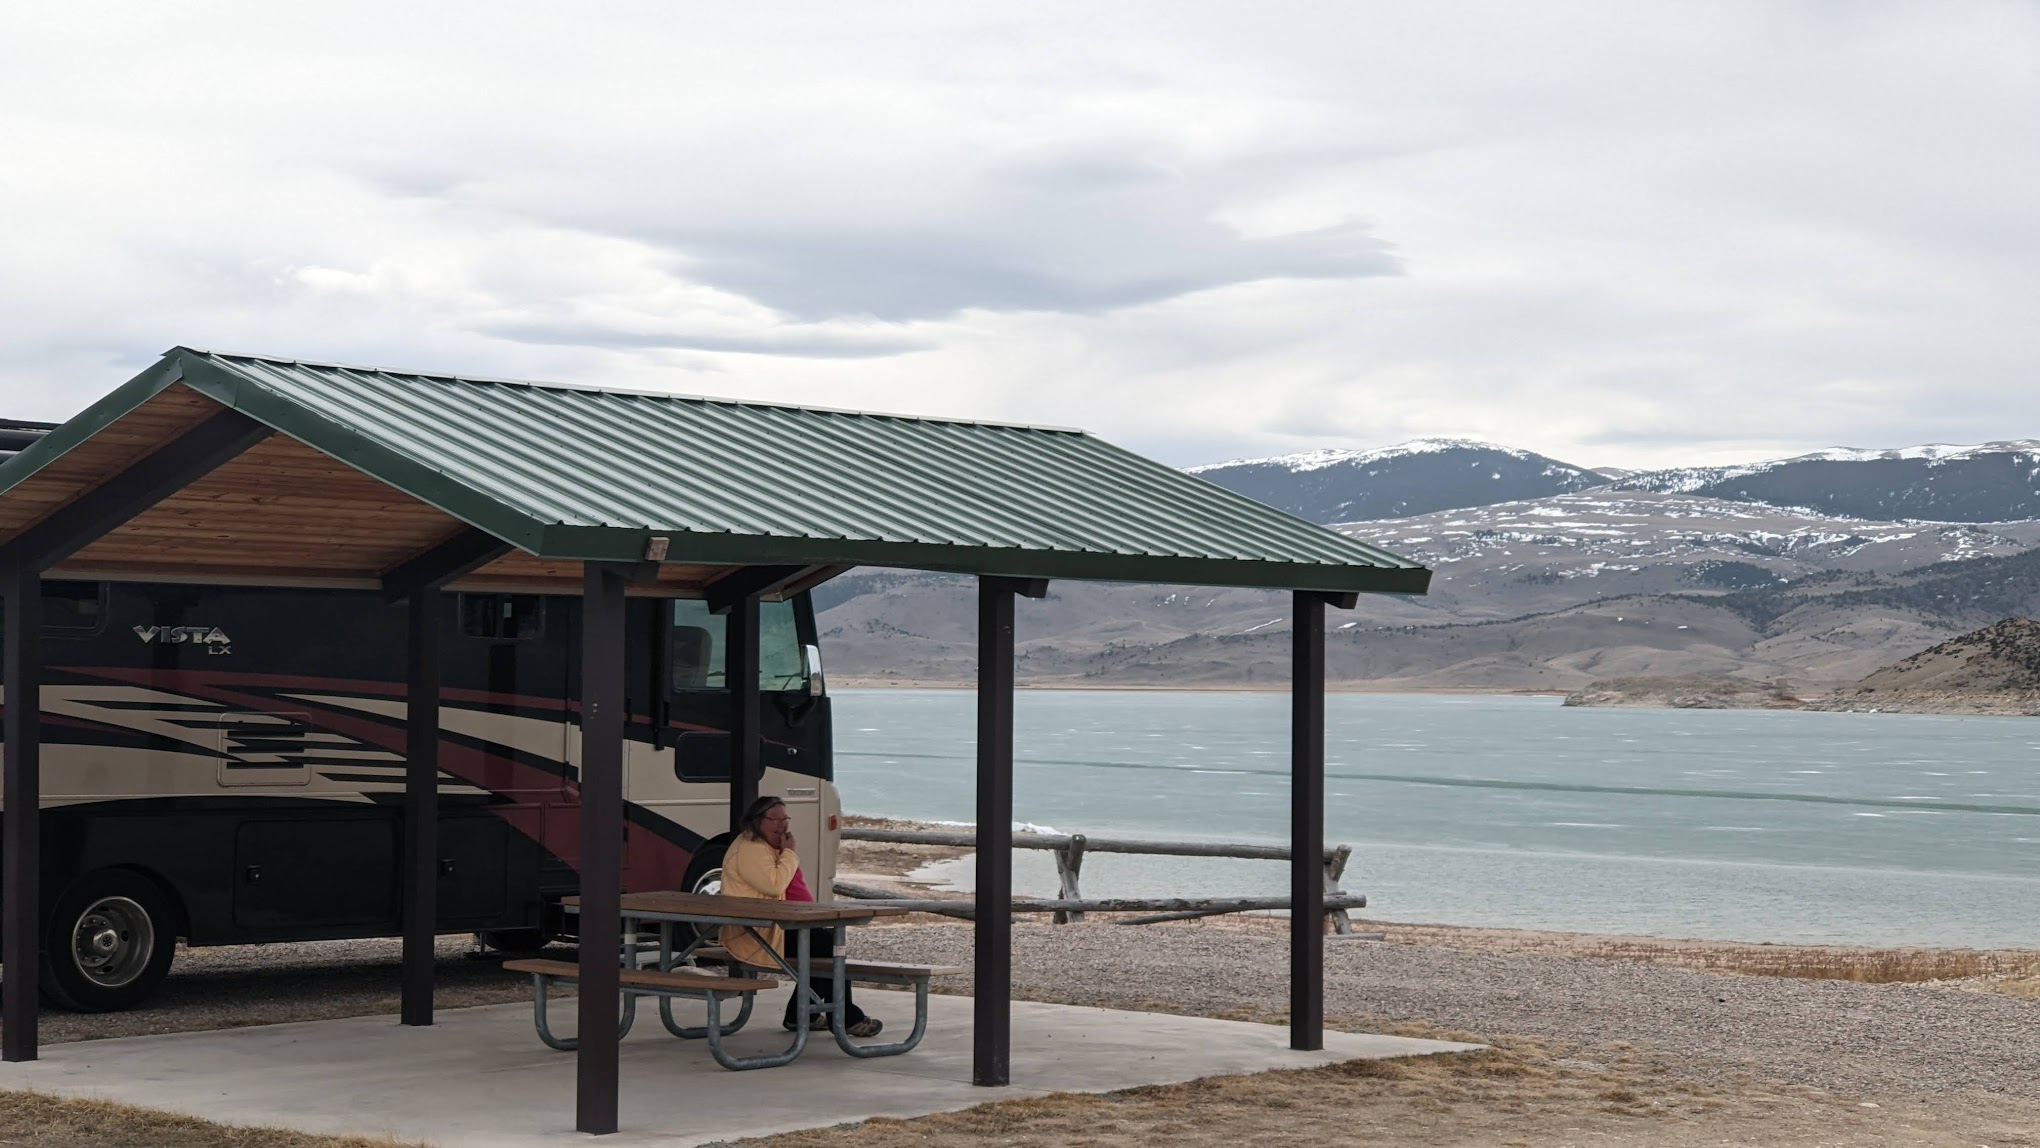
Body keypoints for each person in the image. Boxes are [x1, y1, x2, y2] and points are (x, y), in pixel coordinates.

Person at [720, 795, 880, 1037]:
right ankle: (843, 1017)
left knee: (821, 946)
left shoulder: (762, 847)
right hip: (756, 934)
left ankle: (802, 1015)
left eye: (785, 819)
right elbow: (774, 885)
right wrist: (790, 853)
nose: (782, 825)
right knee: (829, 945)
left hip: (763, 928)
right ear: (756, 821)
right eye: (774, 820)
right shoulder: (751, 849)